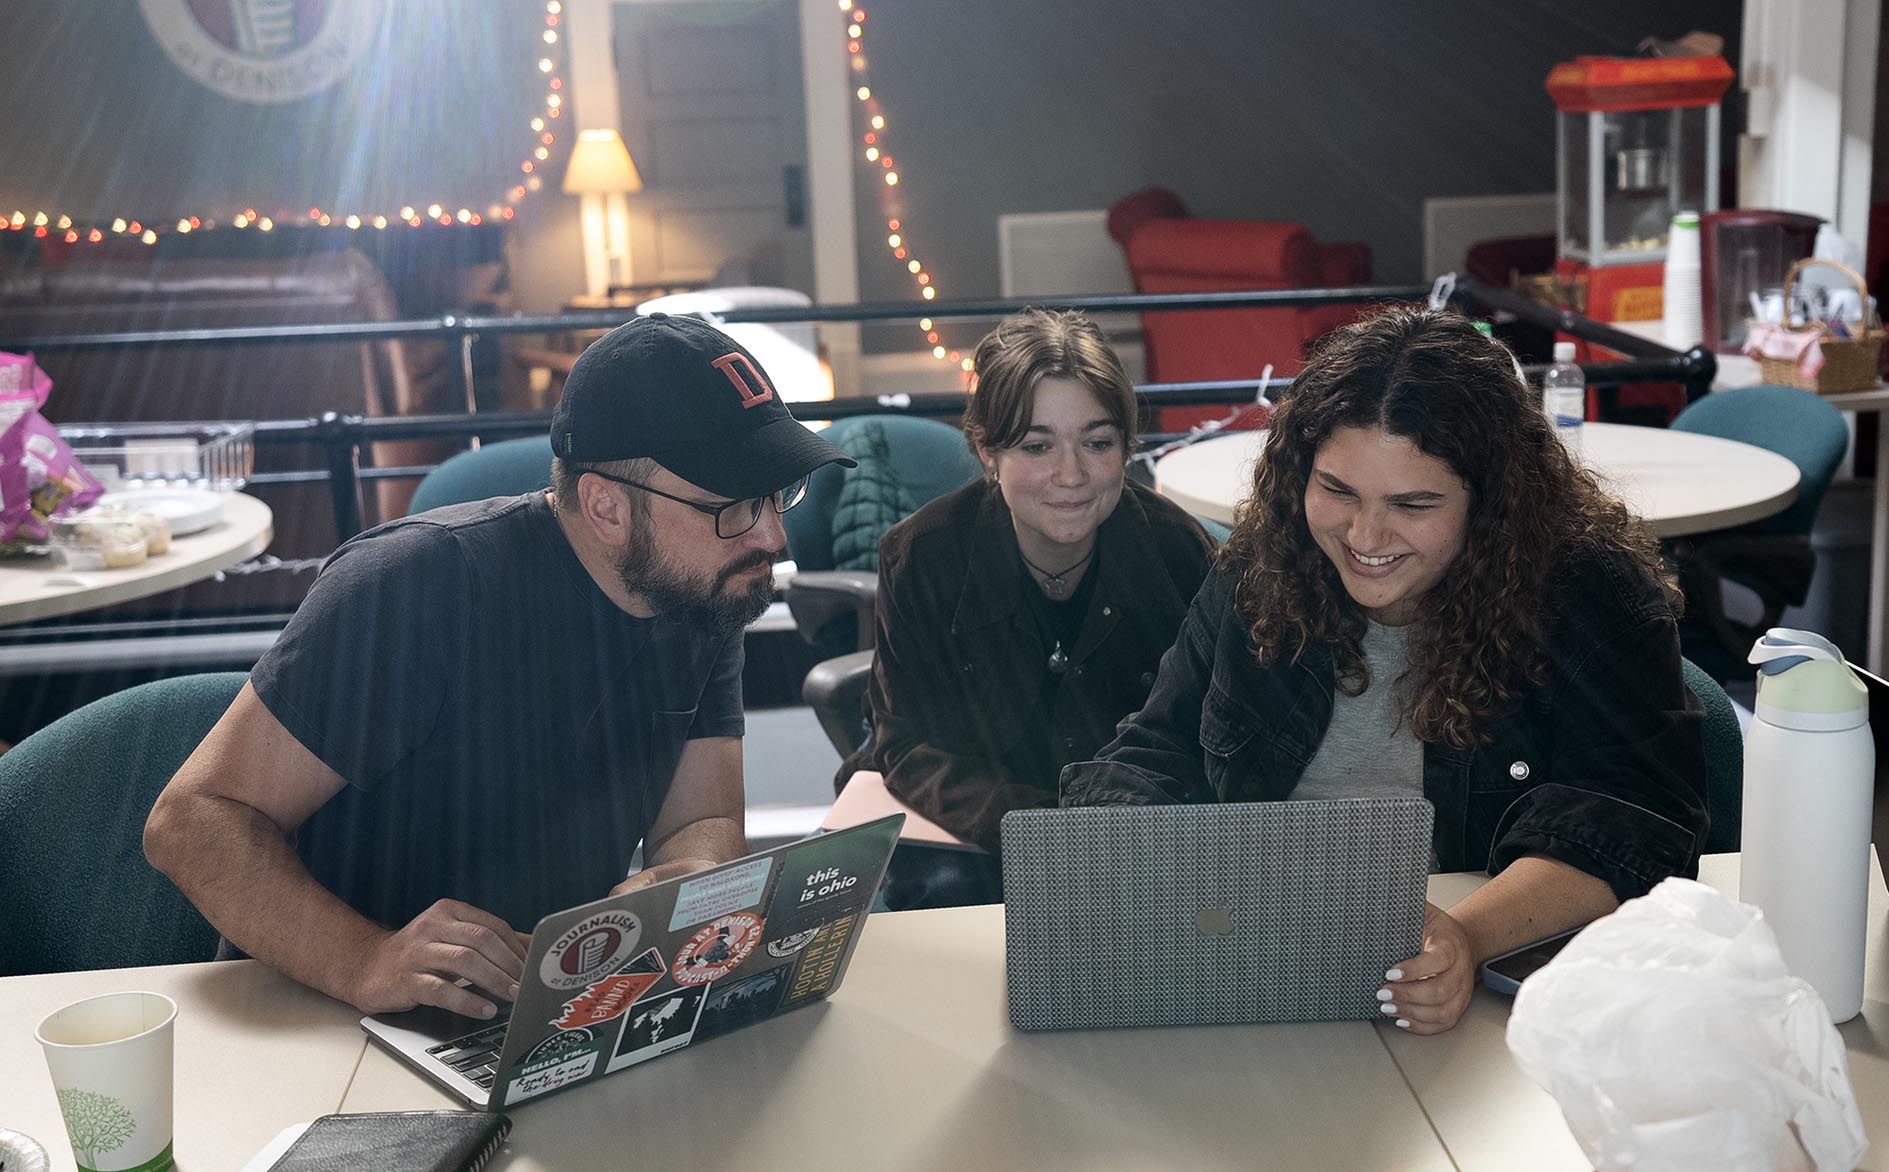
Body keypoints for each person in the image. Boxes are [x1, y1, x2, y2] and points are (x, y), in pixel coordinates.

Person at [145, 314, 853, 1020]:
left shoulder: (702, 588)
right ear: (605, 506)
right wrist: (364, 958)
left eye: (775, 494)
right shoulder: (416, 587)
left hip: (522, 1019)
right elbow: (191, 819)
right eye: (733, 506)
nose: (773, 536)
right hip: (322, 1015)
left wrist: (688, 878)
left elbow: (702, 814)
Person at [1061, 307, 1708, 1033]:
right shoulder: (1260, 567)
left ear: (1491, 503)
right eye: (1337, 490)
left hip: (1493, 1009)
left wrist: (1463, 936)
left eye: (1413, 503)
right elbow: (1149, 753)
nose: (1365, 537)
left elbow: (1630, 822)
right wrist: (1153, 873)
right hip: (1262, 974)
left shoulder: (1590, 595)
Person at [842, 308, 1214, 905]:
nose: (1071, 475)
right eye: (1037, 446)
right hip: (976, 838)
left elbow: (1209, 732)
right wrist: (1043, 829)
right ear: (987, 451)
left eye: (1097, 443)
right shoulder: (921, 556)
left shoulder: (1178, 552)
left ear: (1127, 446)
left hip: (1135, 849)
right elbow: (906, 745)